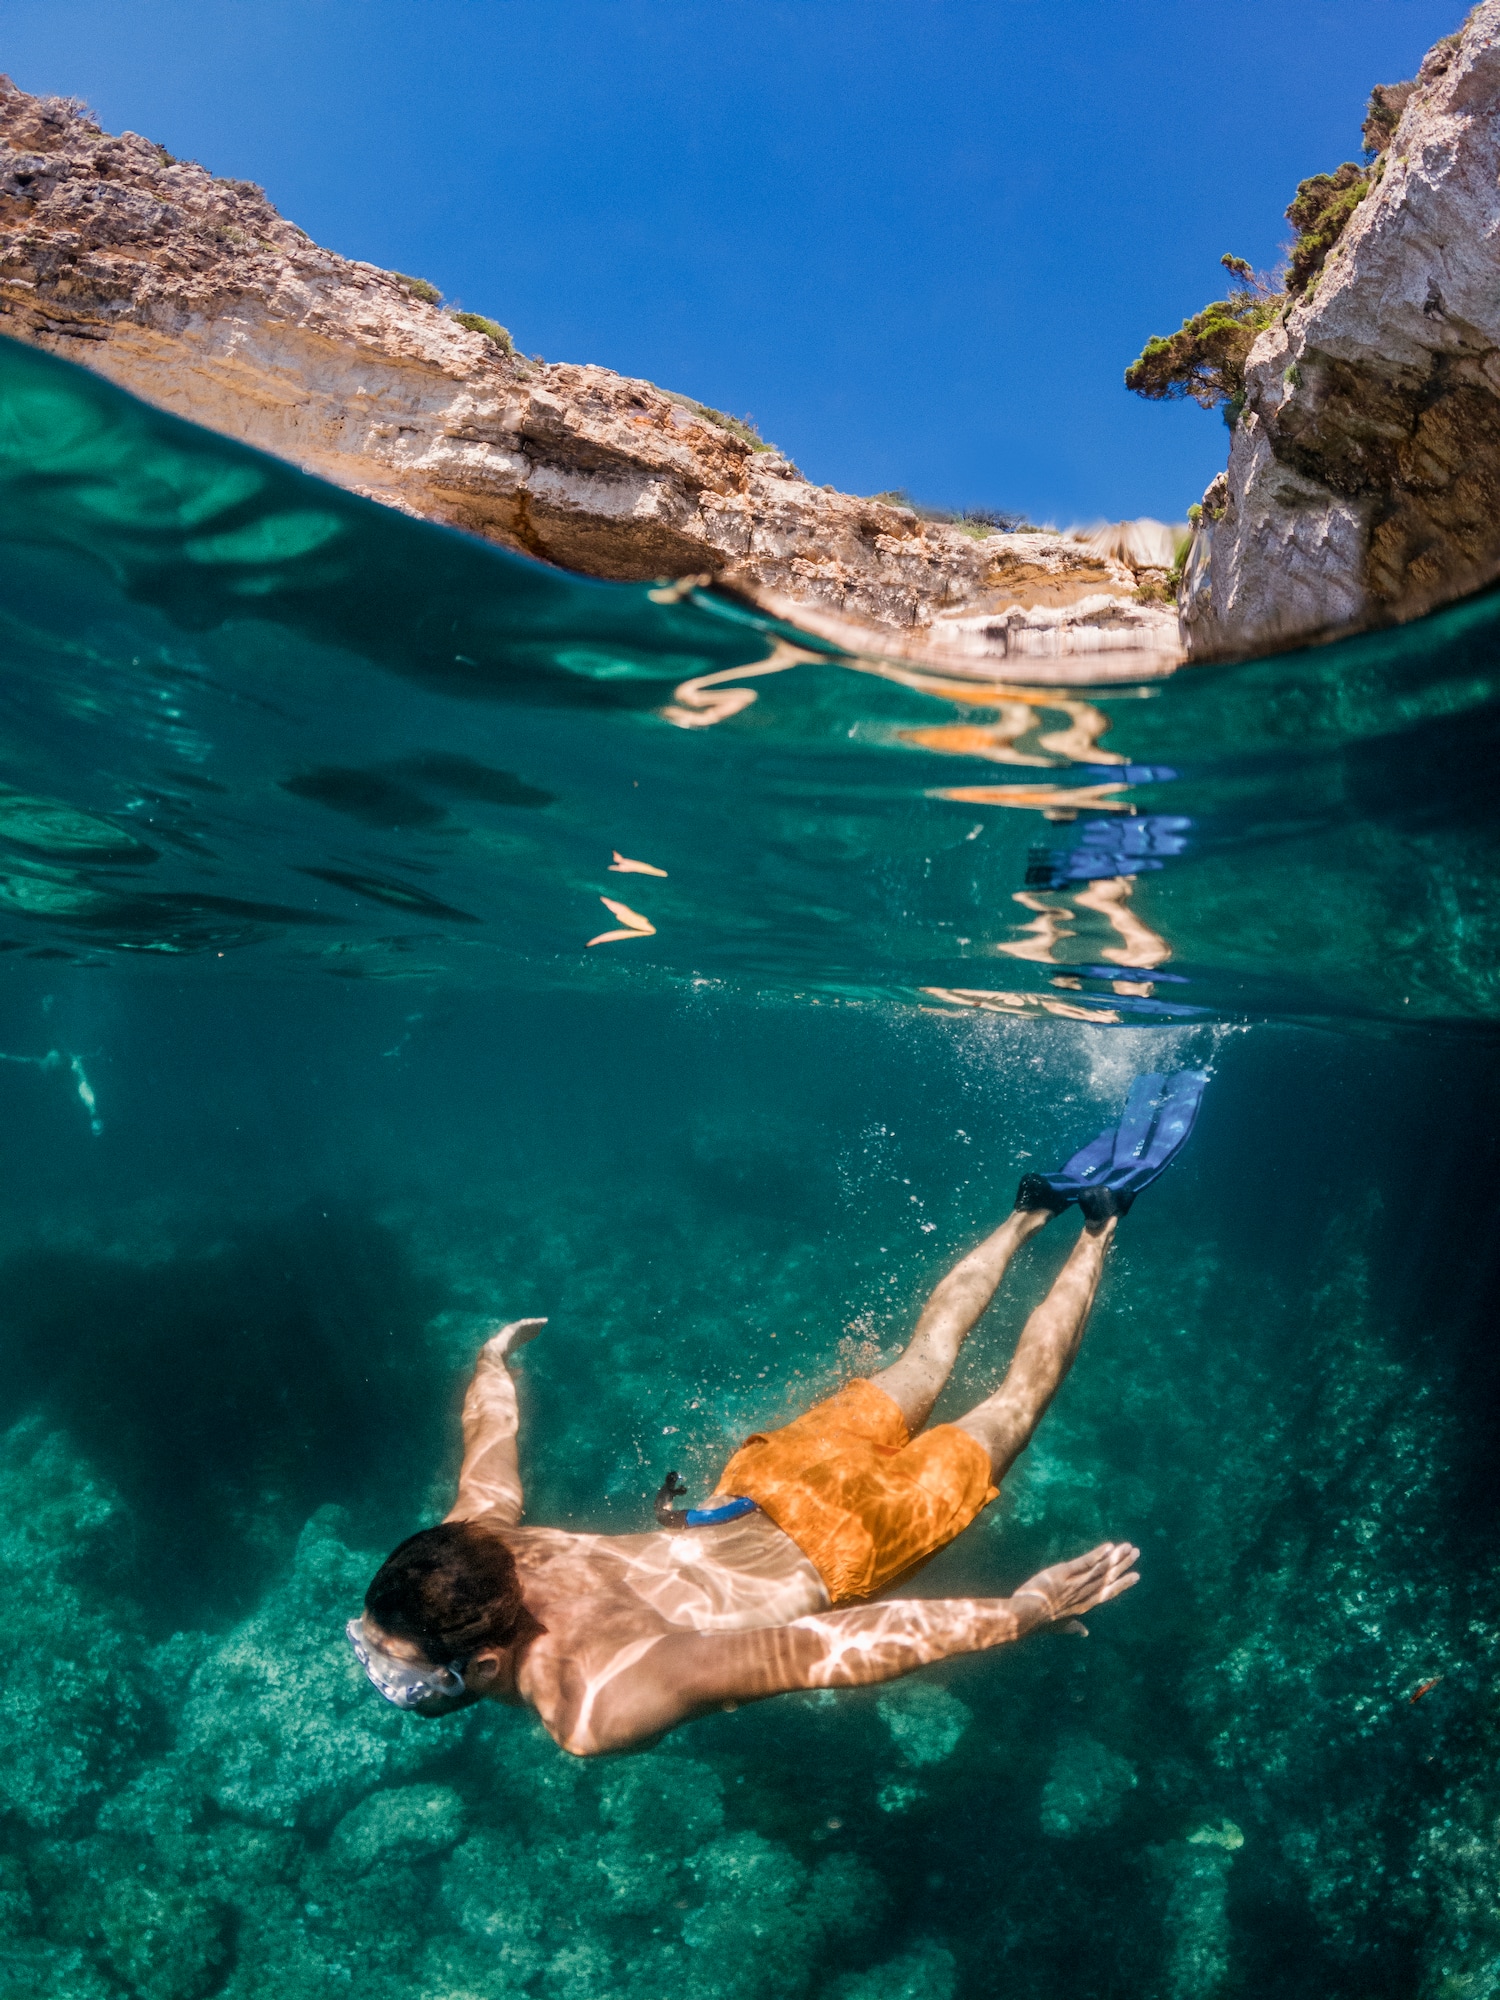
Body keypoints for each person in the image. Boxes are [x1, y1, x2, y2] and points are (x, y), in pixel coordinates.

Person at [347, 1071, 1208, 1756]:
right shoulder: (474, 1544)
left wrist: (1020, 1614)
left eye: (401, 1673)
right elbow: (488, 1450)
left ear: (484, 1665)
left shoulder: (597, 1703)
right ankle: (1029, 1212)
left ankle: (1098, 1226)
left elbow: (815, 1653)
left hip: (857, 1537)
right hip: (775, 1478)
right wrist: (491, 1364)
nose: (387, 1678)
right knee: (924, 1355)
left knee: (1016, 1397)